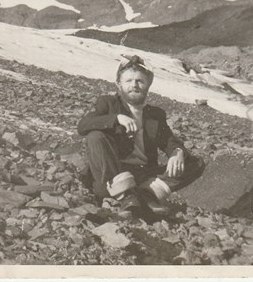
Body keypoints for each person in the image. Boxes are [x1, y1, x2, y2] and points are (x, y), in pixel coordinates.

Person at [77, 55, 205, 215]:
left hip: (143, 174)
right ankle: (126, 195)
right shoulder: (108, 104)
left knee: (195, 163)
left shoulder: (155, 114)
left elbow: (169, 141)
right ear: (119, 84)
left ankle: (147, 194)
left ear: (148, 84)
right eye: (128, 81)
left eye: (140, 81)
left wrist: (177, 152)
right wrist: (115, 119)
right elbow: (83, 126)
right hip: (112, 175)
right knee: (95, 136)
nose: (134, 85)